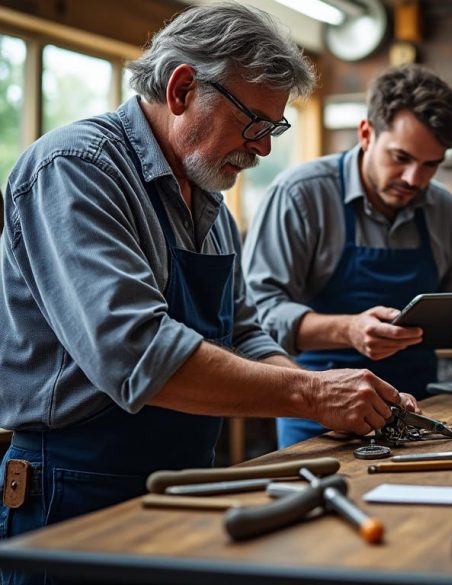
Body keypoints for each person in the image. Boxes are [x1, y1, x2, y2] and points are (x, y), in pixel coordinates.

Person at [0, 2, 416, 567]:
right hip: (72, 488)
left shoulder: (214, 210)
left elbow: (243, 332)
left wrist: (338, 400)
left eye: (274, 128)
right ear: (182, 89)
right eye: (254, 123)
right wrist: (316, 393)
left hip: (184, 482)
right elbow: (135, 353)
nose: (264, 147)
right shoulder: (75, 170)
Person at [242, 65, 452, 449]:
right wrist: (346, 329)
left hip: (423, 416)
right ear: (366, 134)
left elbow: (451, 303)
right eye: (401, 157)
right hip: (322, 420)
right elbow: (257, 315)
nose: (414, 179)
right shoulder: (301, 195)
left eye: (431, 165)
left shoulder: (444, 208)